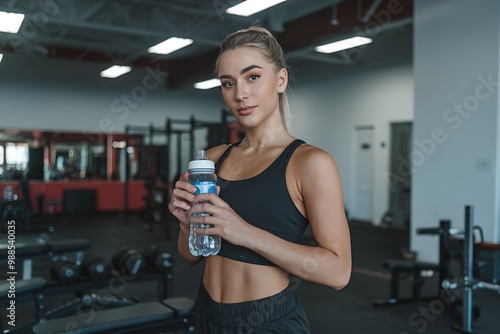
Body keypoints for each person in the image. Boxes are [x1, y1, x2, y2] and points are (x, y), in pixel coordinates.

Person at [168, 26, 351, 333]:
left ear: (280, 80)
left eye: (253, 77)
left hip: (266, 321)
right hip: (206, 314)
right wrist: (186, 223)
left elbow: (338, 273)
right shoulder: (212, 159)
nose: (240, 94)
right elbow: (190, 256)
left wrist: (243, 232)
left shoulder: (309, 163)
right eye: (229, 83)